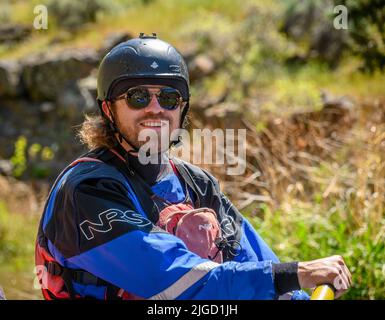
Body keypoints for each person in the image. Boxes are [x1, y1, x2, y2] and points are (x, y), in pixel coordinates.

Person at [35, 33, 352, 300]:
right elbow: (176, 280)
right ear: (108, 109)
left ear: (182, 109)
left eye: (169, 98)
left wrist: (296, 291)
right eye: (138, 96)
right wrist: (296, 274)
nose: (156, 109)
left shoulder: (196, 183)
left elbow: (252, 258)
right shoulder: (86, 191)